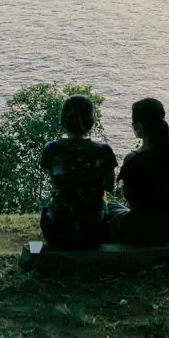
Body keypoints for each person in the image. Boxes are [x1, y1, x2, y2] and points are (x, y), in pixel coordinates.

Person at [107, 97, 169, 246]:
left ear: (139, 126)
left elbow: (131, 198)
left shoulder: (133, 159)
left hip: (144, 228)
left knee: (111, 208)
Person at [40, 94, 117, 250]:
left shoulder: (52, 150)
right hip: (94, 234)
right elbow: (109, 186)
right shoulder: (103, 151)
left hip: (57, 232)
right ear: (91, 122)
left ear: (64, 120)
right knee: (114, 208)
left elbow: (56, 183)